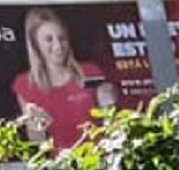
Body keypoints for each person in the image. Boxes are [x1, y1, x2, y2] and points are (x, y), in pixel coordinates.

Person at [10, 7, 118, 150]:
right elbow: (37, 142)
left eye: (62, 38)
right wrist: (37, 124)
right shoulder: (26, 85)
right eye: (49, 39)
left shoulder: (90, 72)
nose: (58, 46)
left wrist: (109, 104)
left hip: (99, 160)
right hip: (62, 166)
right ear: (36, 45)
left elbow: (111, 124)